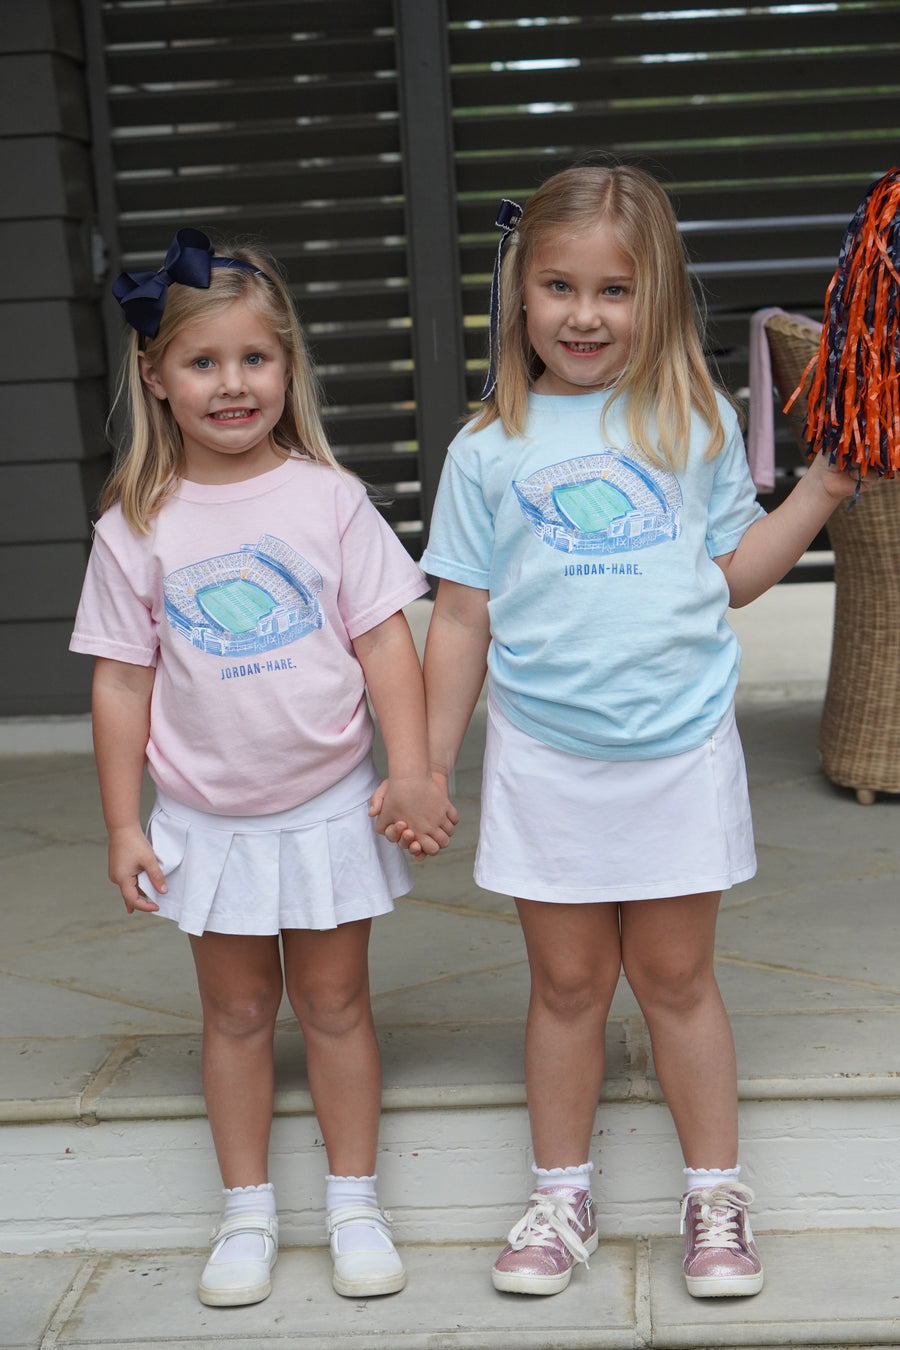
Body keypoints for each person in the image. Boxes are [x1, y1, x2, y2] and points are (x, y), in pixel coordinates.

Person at [412, 164, 865, 1300]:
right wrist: (422, 760)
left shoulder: (693, 421)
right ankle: (559, 1195)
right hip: (547, 753)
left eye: (613, 291)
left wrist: (819, 490)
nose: (583, 314)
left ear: (655, 297)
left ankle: (717, 1196)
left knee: (675, 976)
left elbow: (730, 579)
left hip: (677, 747)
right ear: (520, 296)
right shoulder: (486, 449)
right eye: (558, 286)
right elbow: (460, 617)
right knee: (566, 984)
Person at [69, 228, 457, 1308]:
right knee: (237, 1014)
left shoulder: (327, 498)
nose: (232, 385)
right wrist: (121, 823)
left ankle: (353, 1203)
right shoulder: (135, 524)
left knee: (334, 1005)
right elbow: (119, 684)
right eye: (203, 362)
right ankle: (246, 1212)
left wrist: (413, 768)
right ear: (155, 375)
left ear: (289, 369)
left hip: (328, 800)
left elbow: (388, 641)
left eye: (255, 359)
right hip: (206, 814)